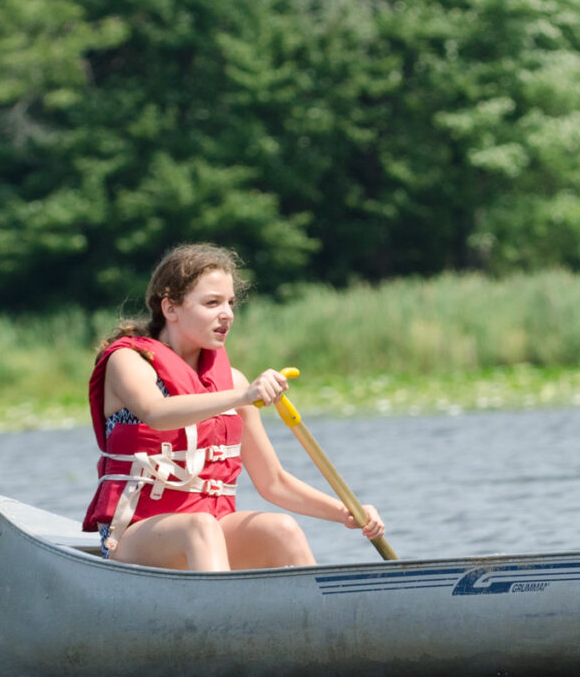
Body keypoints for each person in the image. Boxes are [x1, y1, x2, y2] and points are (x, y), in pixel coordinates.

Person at [82, 243, 385, 570]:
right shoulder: (129, 361)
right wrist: (241, 397)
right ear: (170, 308)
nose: (227, 314)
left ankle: (317, 604)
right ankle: (222, 603)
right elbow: (155, 413)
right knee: (200, 526)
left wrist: (346, 512)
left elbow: (273, 482)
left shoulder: (234, 383)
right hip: (133, 535)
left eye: (230, 302)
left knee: (281, 529)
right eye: (212, 303)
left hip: (209, 533)